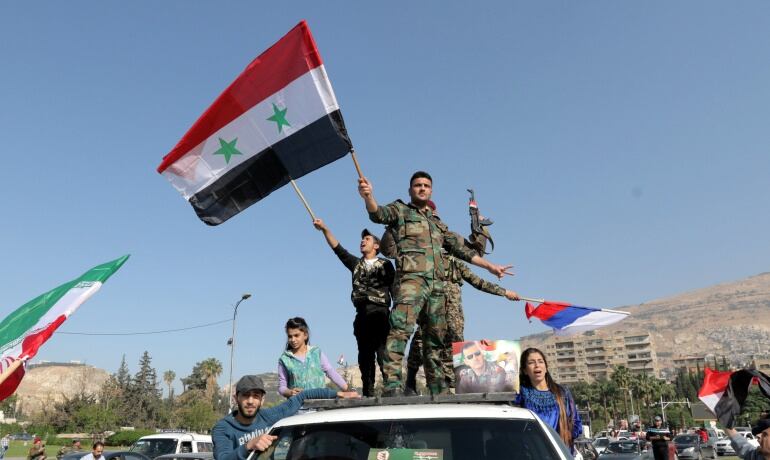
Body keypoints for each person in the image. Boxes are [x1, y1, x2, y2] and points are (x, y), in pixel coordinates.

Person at [358, 171, 512, 395]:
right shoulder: (401, 211)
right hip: (411, 283)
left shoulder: (438, 224)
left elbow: (461, 249)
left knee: (435, 339)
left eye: (426, 185)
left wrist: (489, 266)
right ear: (411, 190)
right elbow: (377, 214)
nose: (422, 188)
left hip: (436, 287)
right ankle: (392, 384)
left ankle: (437, 386)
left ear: (431, 190)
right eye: (418, 185)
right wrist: (368, 197)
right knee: (400, 331)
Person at [404, 201, 519, 394]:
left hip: (453, 315)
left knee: (456, 346)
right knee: (420, 341)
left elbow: (478, 280)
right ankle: (410, 381)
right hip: (430, 309)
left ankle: (452, 386)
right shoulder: (423, 257)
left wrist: (505, 292)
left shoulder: (455, 262)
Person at [313, 218, 395, 397]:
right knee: (365, 358)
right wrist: (325, 229)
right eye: (362, 239)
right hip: (362, 314)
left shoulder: (386, 265)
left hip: (380, 313)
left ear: (376, 246)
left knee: (383, 354)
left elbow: (394, 288)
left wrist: (397, 314)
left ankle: (391, 391)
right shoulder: (356, 264)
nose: (363, 240)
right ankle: (368, 393)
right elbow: (338, 249)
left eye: (367, 239)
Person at [213, 374, 359, 460]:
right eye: (245, 395)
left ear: (262, 400)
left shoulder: (268, 417)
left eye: (255, 396)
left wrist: (337, 394)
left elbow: (302, 396)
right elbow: (223, 458)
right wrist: (249, 445)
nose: (250, 401)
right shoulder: (222, 428)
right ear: (235, 398)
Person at [515, 348, 582, 453]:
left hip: (559, 453)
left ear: (546, 368)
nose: (537, 365)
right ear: (525, 370)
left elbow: (576, 423)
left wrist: (565, 437)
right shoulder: (520, 394)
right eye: (531, 362)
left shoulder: (562, 393)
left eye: (540, 361)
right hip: (532, 454)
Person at [278, 317, 349, 398]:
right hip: (298, 407)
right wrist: (290, 392)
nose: (293, 339)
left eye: (296, 335)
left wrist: (348, 390)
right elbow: (282, 387)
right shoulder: (285, 359)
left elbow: (331, 372)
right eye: (290, 336)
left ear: (305, 335)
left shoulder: (316, 353)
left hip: (320, 405)